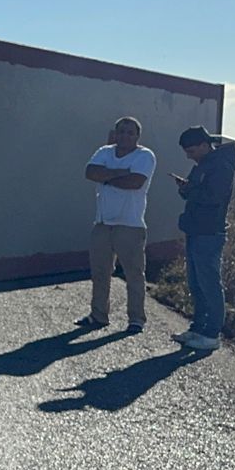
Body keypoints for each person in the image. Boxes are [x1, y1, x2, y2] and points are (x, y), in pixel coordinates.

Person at [79, 116, 155, 332]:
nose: (125, 136)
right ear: (115, 133)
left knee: (133, 274)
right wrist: (119, 174)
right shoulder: (104, 152)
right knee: (100, 272)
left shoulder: (145, 156)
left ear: (137, 136)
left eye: (130, 133)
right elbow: (90, 172)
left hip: (130, 225)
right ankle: (98, 315)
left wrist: (105, 177)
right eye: (121, 131)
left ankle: (136, 319)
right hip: (102, 223)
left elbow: (135, 182)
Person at [171, 126, 235, 350]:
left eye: (191, 151)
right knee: (196, 283)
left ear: (203, 145)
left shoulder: (221, 166)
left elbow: (213, 198)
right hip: (197, 229)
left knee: (209, 284)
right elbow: (195, 192)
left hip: (210, 232)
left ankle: (211, 334)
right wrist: (185, 189)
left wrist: (190, 190)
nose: (189, 156)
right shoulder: (204, 165)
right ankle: (198, 329)